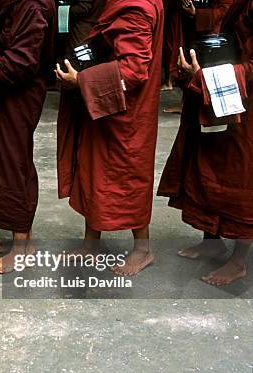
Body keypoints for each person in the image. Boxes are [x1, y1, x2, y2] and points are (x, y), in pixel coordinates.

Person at [56, 0, 164, 276]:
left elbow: (134, 71)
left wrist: (81, 80)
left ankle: (143, 249)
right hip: (109, 104)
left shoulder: (135, 8)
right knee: (94, 171)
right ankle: (90, 244)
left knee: (128, 177)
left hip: (125, 113)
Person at [158, 0, 251, 286]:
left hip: (244, 104)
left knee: (239, 178)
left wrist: (204, 75)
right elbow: (219, 21)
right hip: (212, 85)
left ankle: (239, 260)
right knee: (206, 163)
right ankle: (212, 241)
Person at [0, 0, 56, 274]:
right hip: (11, 92)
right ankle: (24, 240)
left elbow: (21, 64)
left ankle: (21, 249)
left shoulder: (32, 6)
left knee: (13, 161)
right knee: (7, 158)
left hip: (22, 92)